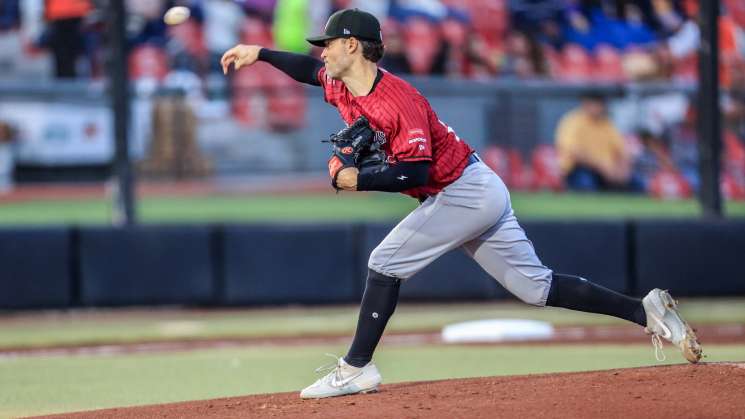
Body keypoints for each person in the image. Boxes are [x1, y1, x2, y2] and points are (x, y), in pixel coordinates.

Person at [221, 8, 702, 399]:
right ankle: (648, 312)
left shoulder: (397, 100)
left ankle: (356, 368)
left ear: (352, 46)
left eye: (326, 43)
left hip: (462, 191)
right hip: (475, 187)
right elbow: (307, 71)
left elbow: (417, 172)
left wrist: (356, 178)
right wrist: (259, 52)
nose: (320, 52)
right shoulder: (343, 84)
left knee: (384, 262)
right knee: (536, 288)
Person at [556, 92, 644, 192]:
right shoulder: (573, 121)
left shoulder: (607, 124)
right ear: (585, 103)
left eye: (599, 103)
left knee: (638, 184)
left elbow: (622, 151)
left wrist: (623, 170)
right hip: (579, 169)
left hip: (609, 171)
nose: (598, 107)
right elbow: (575, 153)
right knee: (586, 185)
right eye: (593, 103)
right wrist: (602, 168)